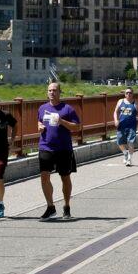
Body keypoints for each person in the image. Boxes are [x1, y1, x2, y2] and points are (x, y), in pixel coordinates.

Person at [37, 83, 80, 220]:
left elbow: (76, 127)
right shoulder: (42, 108)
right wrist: (39, 126)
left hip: (63, 148)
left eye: (54, 90)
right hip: (46, 146)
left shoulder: (68, 109)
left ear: (60, 92)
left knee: (65, 177)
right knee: (44, 176)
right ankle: (50, 207)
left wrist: (61, 121)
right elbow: (39, 122)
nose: (52, 93)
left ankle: (66, 206)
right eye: (49, 90)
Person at [113, 88, 138, 166]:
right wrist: (116, 120)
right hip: (121, 125)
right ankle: (125, 154)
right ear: (125, 94)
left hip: (131, 126)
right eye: (127, 93)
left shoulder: (135, 103)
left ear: (132, 94)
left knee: (131, 142)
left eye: (130, 93)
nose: (128, 94)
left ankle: (129, 159)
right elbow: (115, 112)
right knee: (120, 142)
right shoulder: (120, 101)